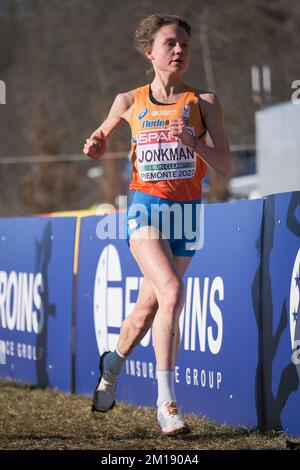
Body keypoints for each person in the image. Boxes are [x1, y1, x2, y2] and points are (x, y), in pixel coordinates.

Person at [83, 13, 232, 436]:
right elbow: (98, 143)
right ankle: (167, 404)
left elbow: (226, 166)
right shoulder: (128, 100)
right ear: (151, 53)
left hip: (187, 215)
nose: (179, 51)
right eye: (170, 44)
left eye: (184, 44)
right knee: (172, 290)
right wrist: (95, 145)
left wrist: (196, 144)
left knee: (148, 310)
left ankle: (111, 366)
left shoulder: (205, 102)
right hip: (145, 211)